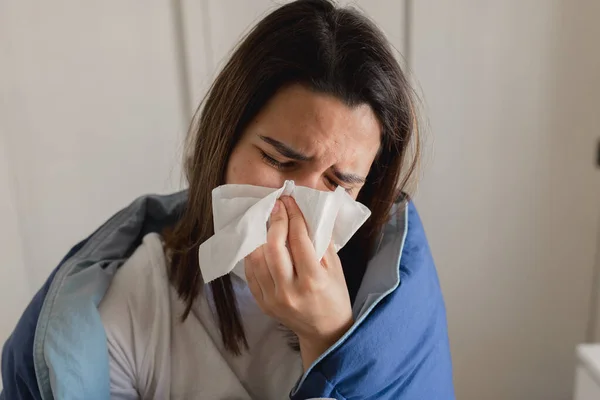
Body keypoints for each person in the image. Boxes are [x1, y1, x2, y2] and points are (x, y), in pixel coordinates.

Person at [1, 0, 454, 399]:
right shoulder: (141, 302)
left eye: (339, 182)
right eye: (279, 160)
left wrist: (329, 338)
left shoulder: (385, 302)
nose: (299, 201)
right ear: (225, 142)